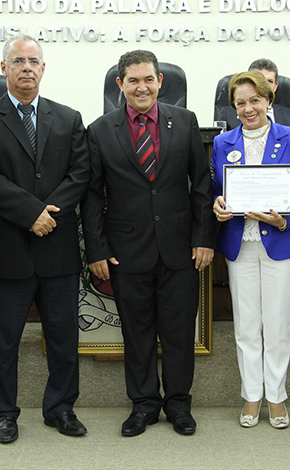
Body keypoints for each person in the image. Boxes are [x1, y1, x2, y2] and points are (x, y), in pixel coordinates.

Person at [81, 50, 215, 437]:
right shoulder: (101, 130)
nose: (142, 87)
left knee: (177, 332)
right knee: (136, 333)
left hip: (180, 250)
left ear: (160, 82)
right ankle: (143, 405)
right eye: (133, 80)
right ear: (120, 85)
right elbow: (92, 196)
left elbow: (202, 185)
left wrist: (204, 238)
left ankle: (178, 405)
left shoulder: (185, 122)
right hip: (125, 252)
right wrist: (97, 250)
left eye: (149, 79)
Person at [0, 35, 90, 444]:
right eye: (17, 61)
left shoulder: (69, 118)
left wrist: (48, 213)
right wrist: (31, 214)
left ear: (43, 68)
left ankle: (61, 408)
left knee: (63, 337)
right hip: (8, 251)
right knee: (3, 340)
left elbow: (80, 174)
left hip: (58, 248)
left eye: (33, 61)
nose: (26, 68)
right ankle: (3, 414)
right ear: (3, 69)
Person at [211, 71, 290, 429]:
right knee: (245, 326)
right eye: (240, 103)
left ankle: (276, 396)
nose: (248, 108)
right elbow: (215, 190)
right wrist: (217, 205)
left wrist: (284, 220)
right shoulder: (223, 142)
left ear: (269, 99)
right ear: (233, 107)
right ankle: (251, 394)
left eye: (254, 100)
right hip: (240, 244)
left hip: (280, 242)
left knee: (276, 324)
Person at [220, 59, 290, 131]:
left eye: (269, 81)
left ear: (275, 86)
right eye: (259, 81)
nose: (264, 86)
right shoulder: (227, 114)